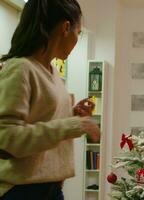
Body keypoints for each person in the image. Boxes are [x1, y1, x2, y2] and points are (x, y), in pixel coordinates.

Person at [0, 0, 100, 199]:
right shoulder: (20, 68)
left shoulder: (52, 71)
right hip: (22, 192)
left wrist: (72, 113)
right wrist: (73, 125)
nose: (76, 39)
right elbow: (6, 138)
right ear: (65, 27)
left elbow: (40, 120)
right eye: (78, 33)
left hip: (50, 189)